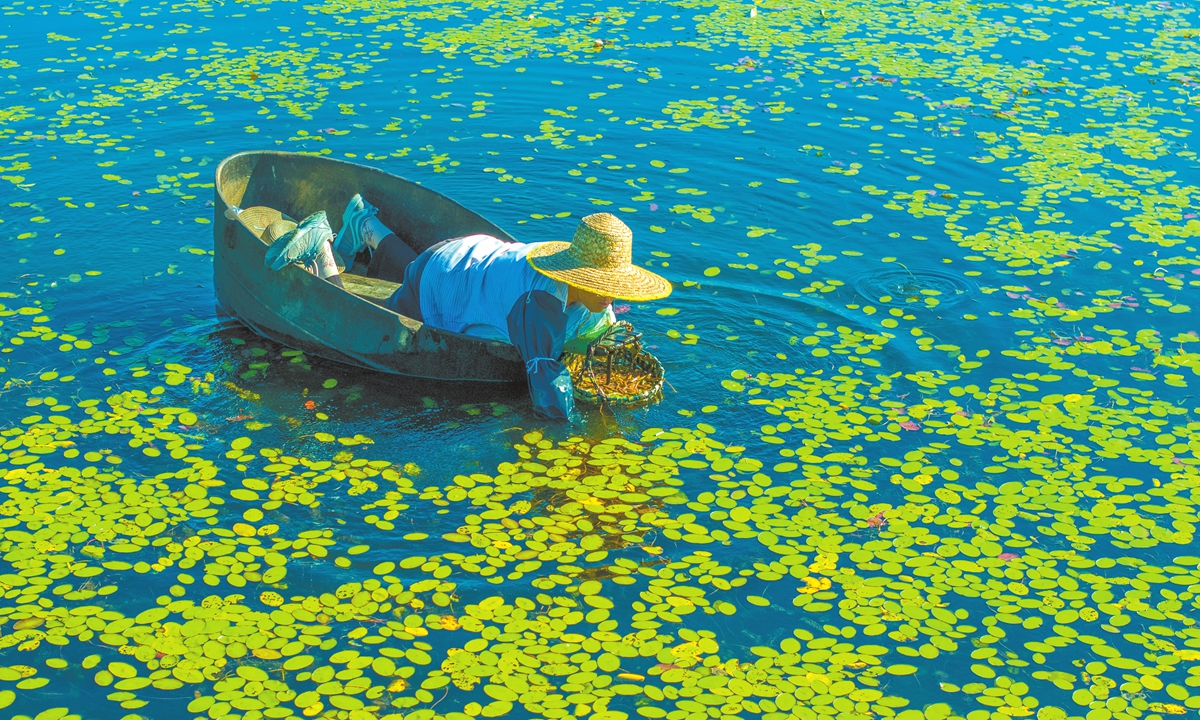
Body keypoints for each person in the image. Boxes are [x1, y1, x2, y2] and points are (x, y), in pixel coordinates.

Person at [263, 195, 672, 419]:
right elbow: (548, 395)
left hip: (470, 255)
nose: (609, 296)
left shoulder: (591, 297)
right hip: (445, 279)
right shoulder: (540, 307)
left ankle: (365, 224)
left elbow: (602, 332)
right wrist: (579, 432)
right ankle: (322, 246)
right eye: (602, 286)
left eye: (612, 288)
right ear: (574, 278)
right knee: (371, 316)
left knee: (413, 271)